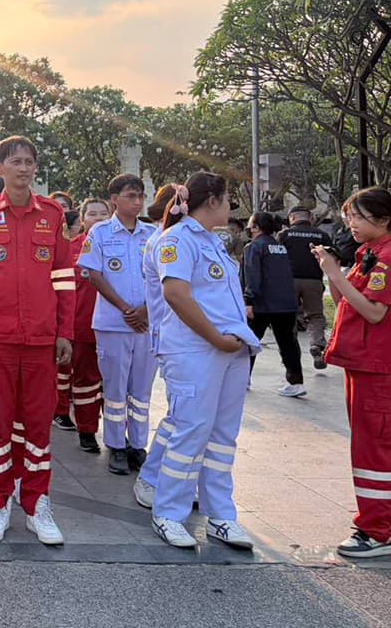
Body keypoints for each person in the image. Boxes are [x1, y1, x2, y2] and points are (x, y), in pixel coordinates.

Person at [0, 136, 72, 545]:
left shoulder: (53, 215)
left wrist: (65, 332)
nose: (23, 169)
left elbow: (64, 279)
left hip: (41, 341)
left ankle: (38, 503)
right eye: (15, 162)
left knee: (39, 426)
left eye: (29, 162)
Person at [149, 173, 260, 550]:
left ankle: (221, 516)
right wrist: (215, 338)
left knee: (222, 437)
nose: (231, 209)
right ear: (211, 200)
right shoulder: (176, 240)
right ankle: (169, 512)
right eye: (229, 200)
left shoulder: (213, 243)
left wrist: (231, 340)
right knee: (191, 431)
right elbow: (176, 294)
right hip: (196, 350)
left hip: (231, 350)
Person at [311, 187, 391, 558]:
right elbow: (347, 303)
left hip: (379, 367)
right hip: (363, 363)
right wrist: (333, 274)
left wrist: (336, 276)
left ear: (384, 219)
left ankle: (377, 530)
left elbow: (375, 313)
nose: (351, 224)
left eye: (358, 216)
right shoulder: (369, 254)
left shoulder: (387, 257)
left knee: (374, 447)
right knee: (369, 444)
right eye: (349, 217)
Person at [78, 174, 159, 476]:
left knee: (141, 390)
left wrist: (147, 311)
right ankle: (116, 446)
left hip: (147, 324)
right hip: (113, 324)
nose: (137, 202)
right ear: (114, 199)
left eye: (140, 196)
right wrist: (126, 308)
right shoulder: (99, 233)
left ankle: (138, 445)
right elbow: (93, 274)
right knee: (114, 389)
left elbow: (165, 277)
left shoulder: (153, 234)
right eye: (130, 196)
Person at [131, 183, 180, 510]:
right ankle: (151, 476)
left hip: (203, 344)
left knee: (193, 420)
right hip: (179, 340)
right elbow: (172, 294)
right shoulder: (164, 242)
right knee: (182, 417)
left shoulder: (206, 242)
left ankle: (182, 481)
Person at [66, 198, 110, 454]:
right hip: (82, 326)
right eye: (92, 214)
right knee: (85, 381)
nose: (98, 218)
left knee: (114, 384)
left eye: (103, 213)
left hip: (117, 326)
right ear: (82, 219)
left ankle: (117, 435)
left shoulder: (119, 247)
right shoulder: (71, 248)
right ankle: (87, 429)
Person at [244, 212, 305, 397]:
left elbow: (252, 275)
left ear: (255, 227)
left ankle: (241, 378)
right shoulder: (280, 247)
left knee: (249, 342)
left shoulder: (254, 247)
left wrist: (248, 300)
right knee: (288, 343)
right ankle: (296, 382)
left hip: (263, 304)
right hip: (285, 303)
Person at [277, 206, 332, 368]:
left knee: (288, 316)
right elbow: (332, 255)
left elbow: (276, 256)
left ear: (292, 217)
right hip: (314, 281)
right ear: (310, 217)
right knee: (315, 315)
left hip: (289, 281)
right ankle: (317, 345)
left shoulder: (284, 235)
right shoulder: (322, 235)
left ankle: (290, 353)